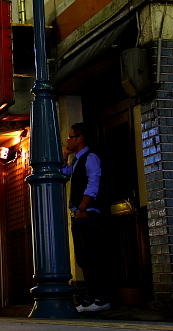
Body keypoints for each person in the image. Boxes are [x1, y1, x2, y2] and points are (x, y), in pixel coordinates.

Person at [62, 122, 111, 313]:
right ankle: (91, 297)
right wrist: (64, 157)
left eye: (70, 137)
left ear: (80, 138)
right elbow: (62, 173)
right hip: (80, 215)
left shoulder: (90, 158)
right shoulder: (76, 161)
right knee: (84, 258)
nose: (68, 140)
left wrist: (83, 206)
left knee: (92, 256)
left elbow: (94, 183)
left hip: (89, 214)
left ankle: (100, 298)